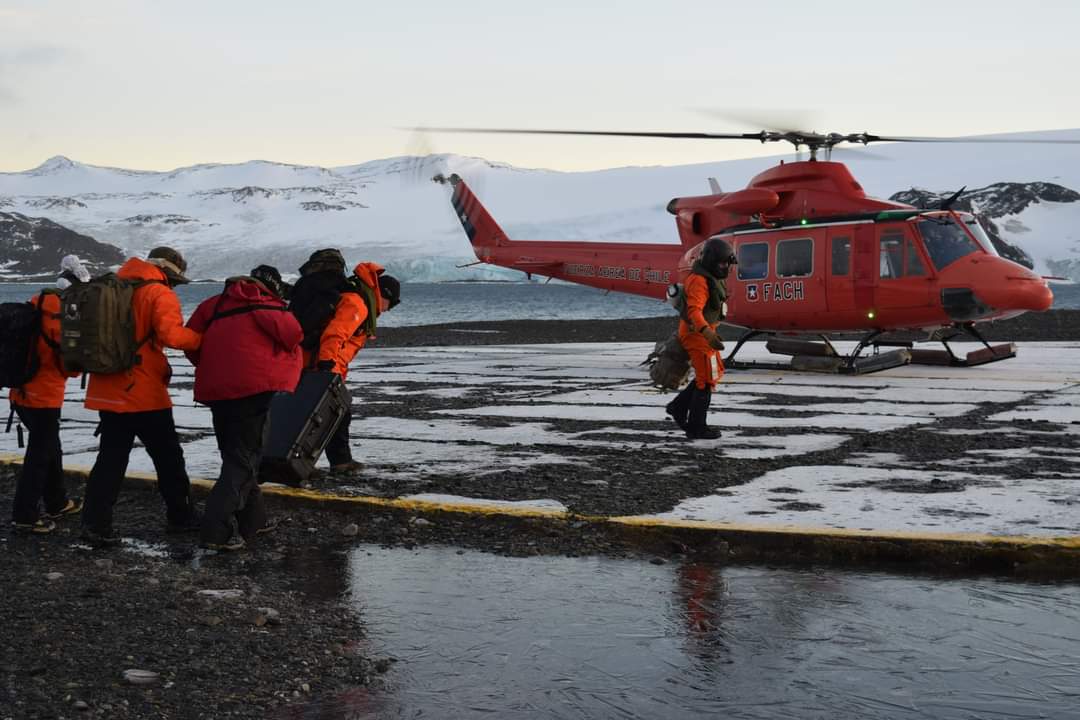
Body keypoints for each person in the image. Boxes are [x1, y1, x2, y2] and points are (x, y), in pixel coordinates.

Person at [80, 247, 203, 547]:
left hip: (106, 387)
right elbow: (171, 336)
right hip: (143, 391)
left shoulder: (112, 287)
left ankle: (95, 524)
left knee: (110, 458)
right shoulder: (158, 294)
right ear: (169, 272)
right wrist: (204, 338)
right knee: (168, 457)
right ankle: (181, 516)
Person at [185, 265, 302, 551]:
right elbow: (294, 335)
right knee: (245, 459)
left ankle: (254, 520)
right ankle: (216, 530)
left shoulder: (212, 304)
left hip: (216, 390)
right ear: (271, 287)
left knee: (234, 454)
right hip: (252, 391)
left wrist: (213, 365)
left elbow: (191, 342)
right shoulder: (267, 304)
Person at [288, 249, 400, 474]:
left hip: (310, 362)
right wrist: (327, 366)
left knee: (322, 413)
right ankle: (338, 462)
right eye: (393, 303)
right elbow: (335, 334)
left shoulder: (356, 299)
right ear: (384, 295)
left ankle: (307, 460)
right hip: (320, 365)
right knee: (338, 413)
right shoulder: (358, 304)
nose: (388, 310)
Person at [8, 256, 90, 533]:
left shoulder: (35, 303)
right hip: (45, 394)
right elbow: (70, 363)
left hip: (20, 392)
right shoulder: (66, 312)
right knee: (40, 453)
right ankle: (25, 513)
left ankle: (57, 501)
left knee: (49, 446)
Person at [665, 237, 735, 440]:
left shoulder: (712, 278)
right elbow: (695, 311)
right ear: (712, 261)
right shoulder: (699, 281)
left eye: (727, 264)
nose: (725, 267)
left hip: (705, 333)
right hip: (697, 334)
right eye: (723, 263)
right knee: (705, 380)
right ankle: (697, 427)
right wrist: (707, 332)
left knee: (714, 374)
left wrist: (710, 331)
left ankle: (678, 407)